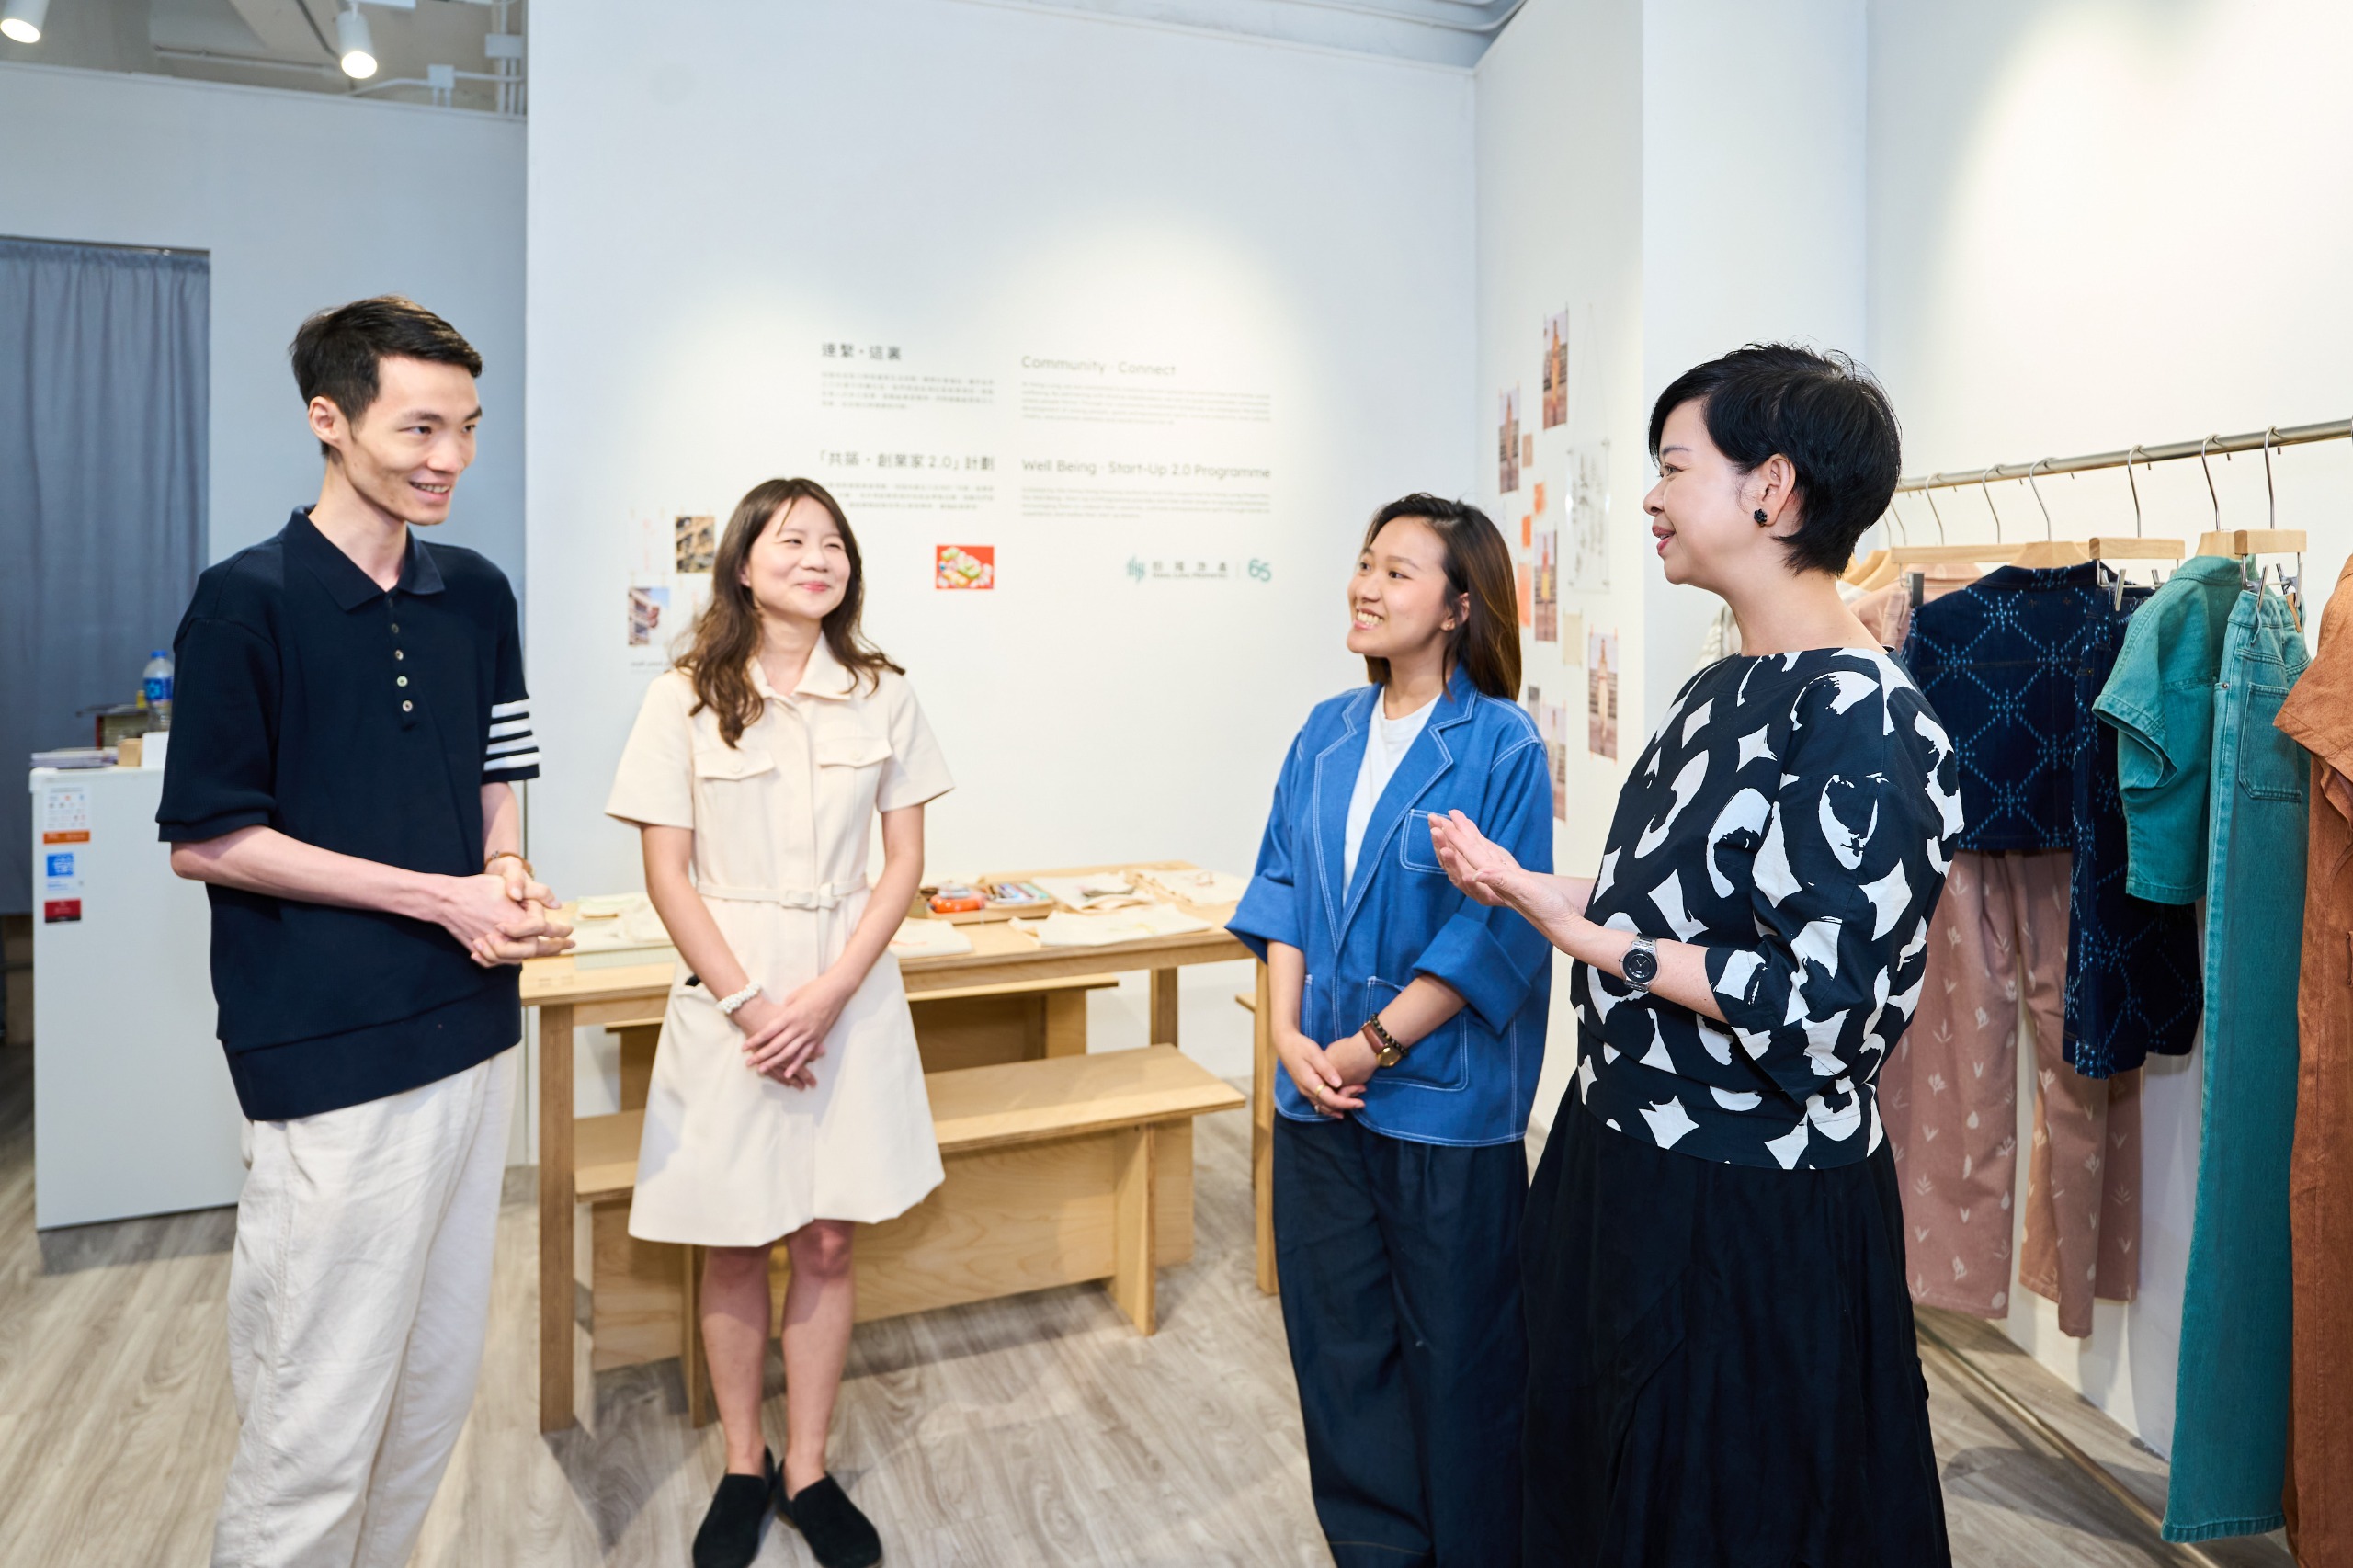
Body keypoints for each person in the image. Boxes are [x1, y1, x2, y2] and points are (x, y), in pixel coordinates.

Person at [1430, 345, 1957, 1565]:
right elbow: (1661, 907)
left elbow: (1828, 1014)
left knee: (1731, 1510)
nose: (1655, 497)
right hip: (1624, 1157)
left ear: (1771, 487)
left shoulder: (1874, 722)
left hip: (1746, 1200)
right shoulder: (1723, 691)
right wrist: (1528, 890)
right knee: (1594, 1480)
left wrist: (1598, 942)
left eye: (1676, 465)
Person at [159, 296, 572, 1568]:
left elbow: (499, 769)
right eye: (420, 426)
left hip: (471, 1031)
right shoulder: (244, 601)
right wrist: (434, 894)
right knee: (315, 1410)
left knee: (432, 1385)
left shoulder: (476, 590)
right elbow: (207, 836)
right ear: (328, 420)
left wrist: (499, 866)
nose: (448, 455)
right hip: (328, 1050)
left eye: (467, 427)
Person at [606, 478, 950, 1568]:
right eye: (792, 539)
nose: (819, 556)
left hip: (847, 988)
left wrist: (831, 991)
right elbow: (667, 873)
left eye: (834, 542)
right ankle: (742, 1462)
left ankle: (808, 1464)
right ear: (743, 564)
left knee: (831, 1233)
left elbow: (903, 862)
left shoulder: (882, 692)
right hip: (732, 997)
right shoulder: (682, 697)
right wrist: (753, 1004)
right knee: (735, 1233)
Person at [1229, 494, 1553, 1568]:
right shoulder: (1324, 729)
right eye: (1366, 562)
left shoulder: (1499, 741)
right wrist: (1284, 1034)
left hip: (1437, 1102)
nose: (1367, 585)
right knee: (1340, 1354)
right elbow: (1280, 885)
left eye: (1399, 571)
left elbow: (1491, 933)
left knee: (1459, 1362)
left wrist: (1367, 1045)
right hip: (1313, 1094)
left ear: (1459, 606)